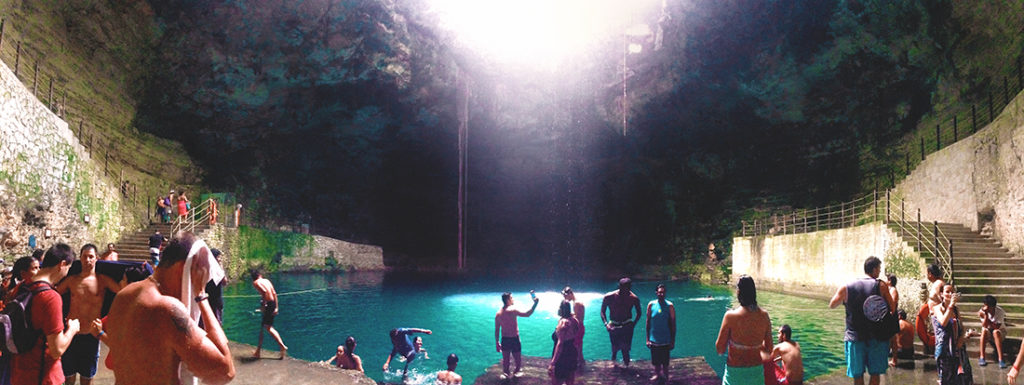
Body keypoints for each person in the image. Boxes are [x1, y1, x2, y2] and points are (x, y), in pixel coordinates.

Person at [97, 232, 234, 384]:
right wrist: (201, 295)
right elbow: (225, 371)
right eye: (197, 279)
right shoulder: (166, 309)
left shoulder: (123, 295)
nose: (197, 284)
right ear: (185, 268)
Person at [56, 244, 126, 385]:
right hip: (71, 334)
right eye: (84, 256)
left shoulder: (103, 280)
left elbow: (121, 292)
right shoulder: (72, 280)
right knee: (68, 378)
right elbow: (53, 294)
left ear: (96, 259)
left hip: (91, 335)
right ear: (80, 258)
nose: (87, 260)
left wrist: (126, 279)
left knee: (87, 379)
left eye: (91, 257)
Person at [11, 244, 81, 385]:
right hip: (43, 376)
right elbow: (57, 349)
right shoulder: (50, 297)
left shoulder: (22, 287)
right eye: (68, 268)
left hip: (19, 372)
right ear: (62, 264)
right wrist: (72, 329)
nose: (66, 273)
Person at [828, 256, 895, 385]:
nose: (879, 272)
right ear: (874, 269)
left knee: (857, 374)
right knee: (875, 373)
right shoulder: (881, 285)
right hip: (876, 337)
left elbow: (832, 304)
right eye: (879, 269)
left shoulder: (846, 286)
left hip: (854, 337)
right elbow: (892, 307)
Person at [716, 275, 772, 385]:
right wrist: (753, 346)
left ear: (739, 292)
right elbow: (769, 349)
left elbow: (720, 349)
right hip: (756, 372)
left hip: (735, 373)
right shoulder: (764, 316)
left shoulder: (730, 316)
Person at [932, 283, 972, 385]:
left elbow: (962, 328)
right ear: (941, 294)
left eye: (952, 292)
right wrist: (950, 305)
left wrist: (961, 340)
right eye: (947, 291)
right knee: (947, 379)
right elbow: (943, 322)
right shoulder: (937, 308)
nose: (950, 294)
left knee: (962, 378)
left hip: (957, 348)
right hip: (944, 349)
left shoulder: (956, 310)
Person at [495, 291, 539, 378]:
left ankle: (506, 378)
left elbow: (497, 330)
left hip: (505, 340)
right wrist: (535, 303)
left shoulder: (498, 314)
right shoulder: (513, 310)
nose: (513, 299)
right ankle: (516, 378)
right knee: (518, 363)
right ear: (508, 300)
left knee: (506, 363)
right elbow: (527, 314)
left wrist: (497, 342)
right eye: (511, 298)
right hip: (514, 339)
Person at [601, 277, 642, 366]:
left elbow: (639, 313)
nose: (626, 291)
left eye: (628, 288)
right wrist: (606, 324)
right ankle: (613, 368)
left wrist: (633, 324)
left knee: (625, 350)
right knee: (614, 349)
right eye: (624, 288)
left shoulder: (633, 298)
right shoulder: (609, 297)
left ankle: (627, 368)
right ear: (619, 287)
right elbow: (602, 311)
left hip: (627, 325)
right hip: (613, 324)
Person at [251, 270, 288, 359]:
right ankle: (258, 352)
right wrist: (276, 307)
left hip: (267, 304)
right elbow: (274, 293)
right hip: (273, 304)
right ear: (260, 275)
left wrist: (263, 306)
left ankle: (282, 345)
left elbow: (264, 292)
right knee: (263, 327)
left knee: (268, 327)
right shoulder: (266, 281)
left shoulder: (256, 282)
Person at [645, 283, 676, 382]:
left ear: (665, 293)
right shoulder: (651, 304)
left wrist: (672, 340)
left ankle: (666, 377)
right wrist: (647, 339)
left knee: (665, 363)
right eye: (659, 292)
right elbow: (648, 322)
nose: (661, 294)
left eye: (663, 292)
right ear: (656, 293)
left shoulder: (670, 306)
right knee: (656, 361)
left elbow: (673, 324)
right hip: (654, 339)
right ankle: (657, 375)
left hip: (665, 339)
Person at [550, 300, 581, 385]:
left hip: (563, 355)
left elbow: (560, 344)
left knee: (556, 381)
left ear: (562, 309)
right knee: (570, 381)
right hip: (572, 352)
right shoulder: (575, 320)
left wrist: (553, 363)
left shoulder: (563, 322)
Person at [978, 294, 1006, 368]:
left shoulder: (1000, 312)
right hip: (989, 331)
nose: (985, 307)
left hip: (1000, 332)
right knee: (984, 330)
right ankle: (982, 357)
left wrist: (987, 319)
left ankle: (1001, 359)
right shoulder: (982, 311)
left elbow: (997, 326)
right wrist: (986, 315)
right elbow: (984, 325)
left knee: (995, 332)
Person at [561, 286, 586, 368]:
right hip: (580, 327)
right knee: (579, 347)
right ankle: (581, 365)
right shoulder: (577, 302)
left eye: (565, 296)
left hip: (578, 328)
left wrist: (567, 315)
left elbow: (577, 318)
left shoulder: (577, 303)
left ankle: (579, 366)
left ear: (570, 294)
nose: (565, 298)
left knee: (577, 348)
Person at [204, 248, 226, 324]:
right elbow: (224, 282)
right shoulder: (216, 269)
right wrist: (221, 267)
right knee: (216, 324)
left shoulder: (205, 267)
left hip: (206, 300)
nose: (220, 259)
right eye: (219, 257)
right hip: (215, 301)